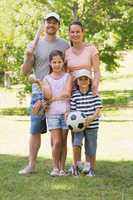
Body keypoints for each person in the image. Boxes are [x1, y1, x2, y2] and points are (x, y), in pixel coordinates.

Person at [19, 12, 69, 175]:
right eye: (49, 22)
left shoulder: (64, 45)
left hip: (59, 94)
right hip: (39, 93)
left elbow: (67, 68)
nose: (51, 25)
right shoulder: (35, 44)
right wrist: (28, 57)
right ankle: (31, 164)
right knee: (35, 129)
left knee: (59, 132)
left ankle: (59, 167)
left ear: (58, 26)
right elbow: (25, 72)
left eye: (55, 22)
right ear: (44, 24)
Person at [65, 20, 101, 171]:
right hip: (74, 95)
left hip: (89, 91)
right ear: (69, 34)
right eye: (72, 32)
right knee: (76, 135)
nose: (75, 34)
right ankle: (77, 166)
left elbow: (97, 71)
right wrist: (67, 94)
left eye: (77, 31)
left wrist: (94, 87)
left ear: (83, 32)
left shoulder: (91, 49)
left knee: (90, 137)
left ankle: (89, 167)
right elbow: (67, 75)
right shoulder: (67, 52)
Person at [33, 50, 72, 176]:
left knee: (64, 141)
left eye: (59, 62)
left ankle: (62, 169)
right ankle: (55, 167)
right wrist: (41, 85)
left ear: (63, 62)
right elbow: (48, 95)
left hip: (66, 112)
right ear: (50, 63)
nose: (57, 64)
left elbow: (67, 93)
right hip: (53, 114)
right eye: (54, 62)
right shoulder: (46, 79)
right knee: (57, 142)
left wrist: (53, 99)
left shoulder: (68, 77)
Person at [69, 69, 102, 176]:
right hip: (78, 127)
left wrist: (91, 118)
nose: (83, 81)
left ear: (89, 81)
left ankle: (89, 169)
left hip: (92, 125)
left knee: (90, 148)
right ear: (77, 82)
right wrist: (80, 122)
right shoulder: (75, 95)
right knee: (76, 145)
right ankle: (76, 166)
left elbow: (98, 110)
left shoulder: (94, 94)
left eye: (85, 79)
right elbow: (73, 112)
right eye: (80, 79)